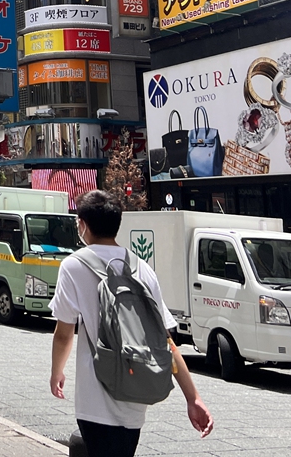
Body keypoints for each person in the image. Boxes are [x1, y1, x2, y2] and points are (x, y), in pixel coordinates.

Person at [49, 191, 213, 457]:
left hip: (95, 397)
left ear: (82, 224)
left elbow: (64, 334)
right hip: (136, 396)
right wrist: (193, 398)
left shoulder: (73, 266)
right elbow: (166, 341)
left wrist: (56, 371)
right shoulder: (141, 268)